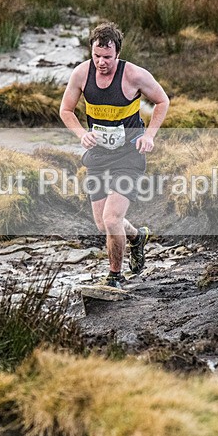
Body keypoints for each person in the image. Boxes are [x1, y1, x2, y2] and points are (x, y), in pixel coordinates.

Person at [59, 22, 170, 288]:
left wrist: (149, 135)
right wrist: (80, 135)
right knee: (102, 223)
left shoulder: (134, 75)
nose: (101, 62)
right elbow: (66, 110)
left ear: (117, 54)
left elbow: (162, 101)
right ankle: (137, 238)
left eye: (107, 57)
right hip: (98, 155)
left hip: (128, 156)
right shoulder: (81, 74)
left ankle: (114, 277)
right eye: (96, 56)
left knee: (111, 219)